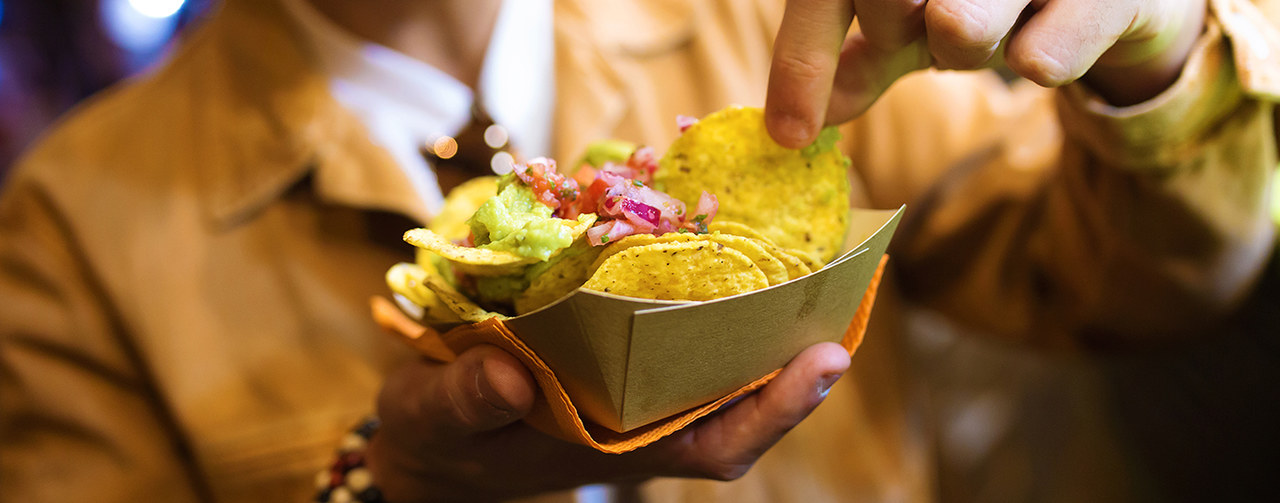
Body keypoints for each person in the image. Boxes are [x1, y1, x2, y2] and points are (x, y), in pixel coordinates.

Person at [0, 0, 1275, 502]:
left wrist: (1151, 64)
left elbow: (1134, 279)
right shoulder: (70, 227)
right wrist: (393, 488)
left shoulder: (768, 19)